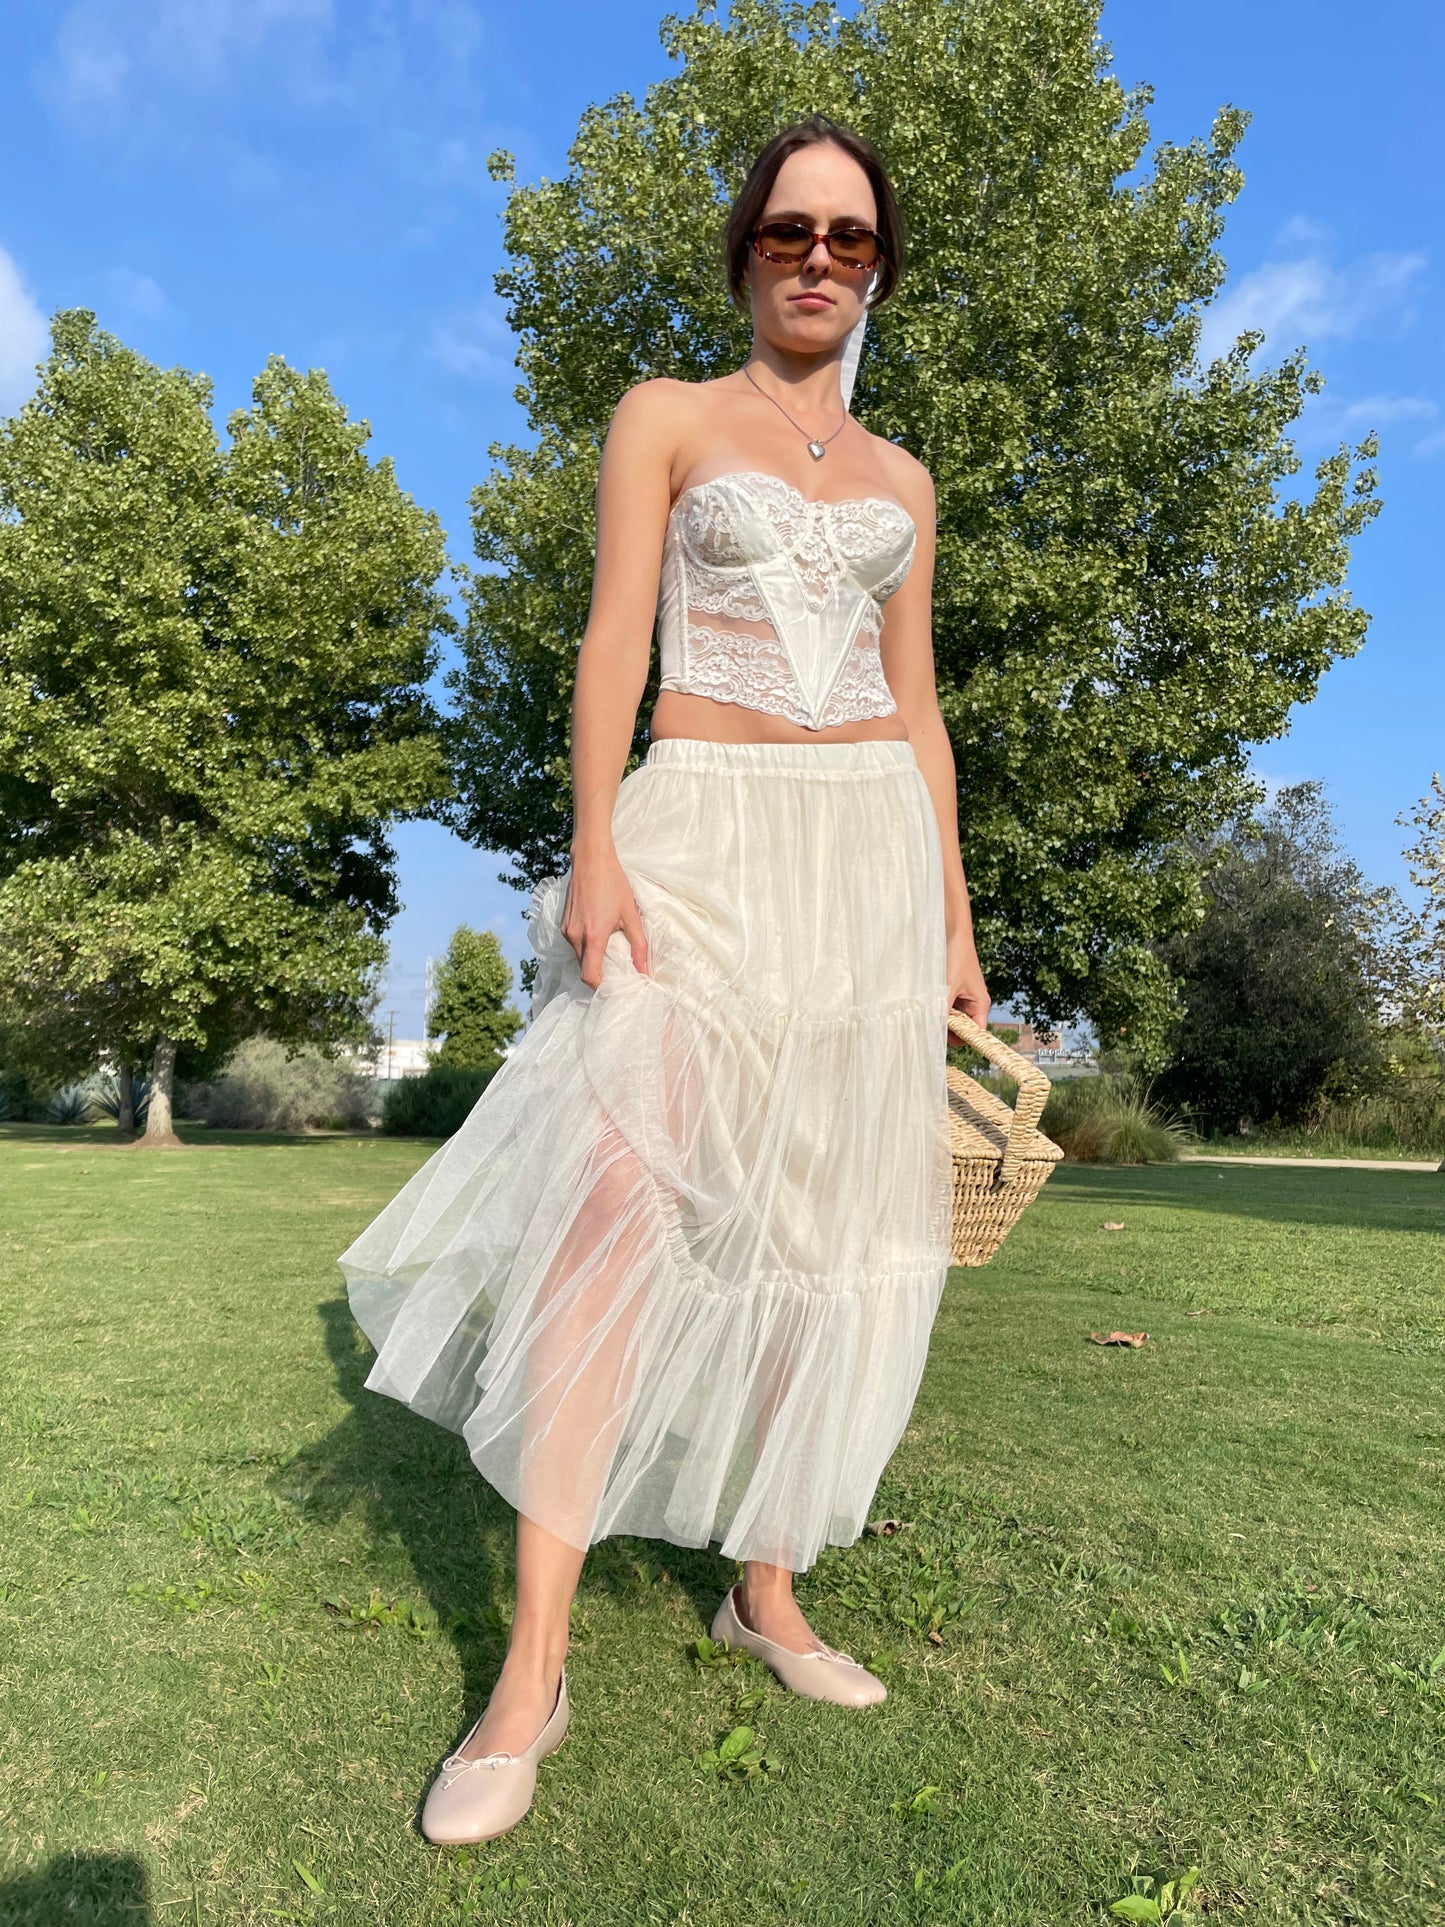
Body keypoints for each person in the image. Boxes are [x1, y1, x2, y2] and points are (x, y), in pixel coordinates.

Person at [338, 115, 990, 1846]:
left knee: (813, 1226)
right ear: (744, 248)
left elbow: (915, 708)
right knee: (613, 1215)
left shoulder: (907, 484)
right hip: (696, 828)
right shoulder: (665, 418)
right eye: (791, 230)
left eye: (850, 239)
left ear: (880, 270)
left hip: (863, 852)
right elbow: (611, 640)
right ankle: (531, 1671)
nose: (818, 259)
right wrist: (596, 849)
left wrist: (951, 918)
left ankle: (762, 1591)